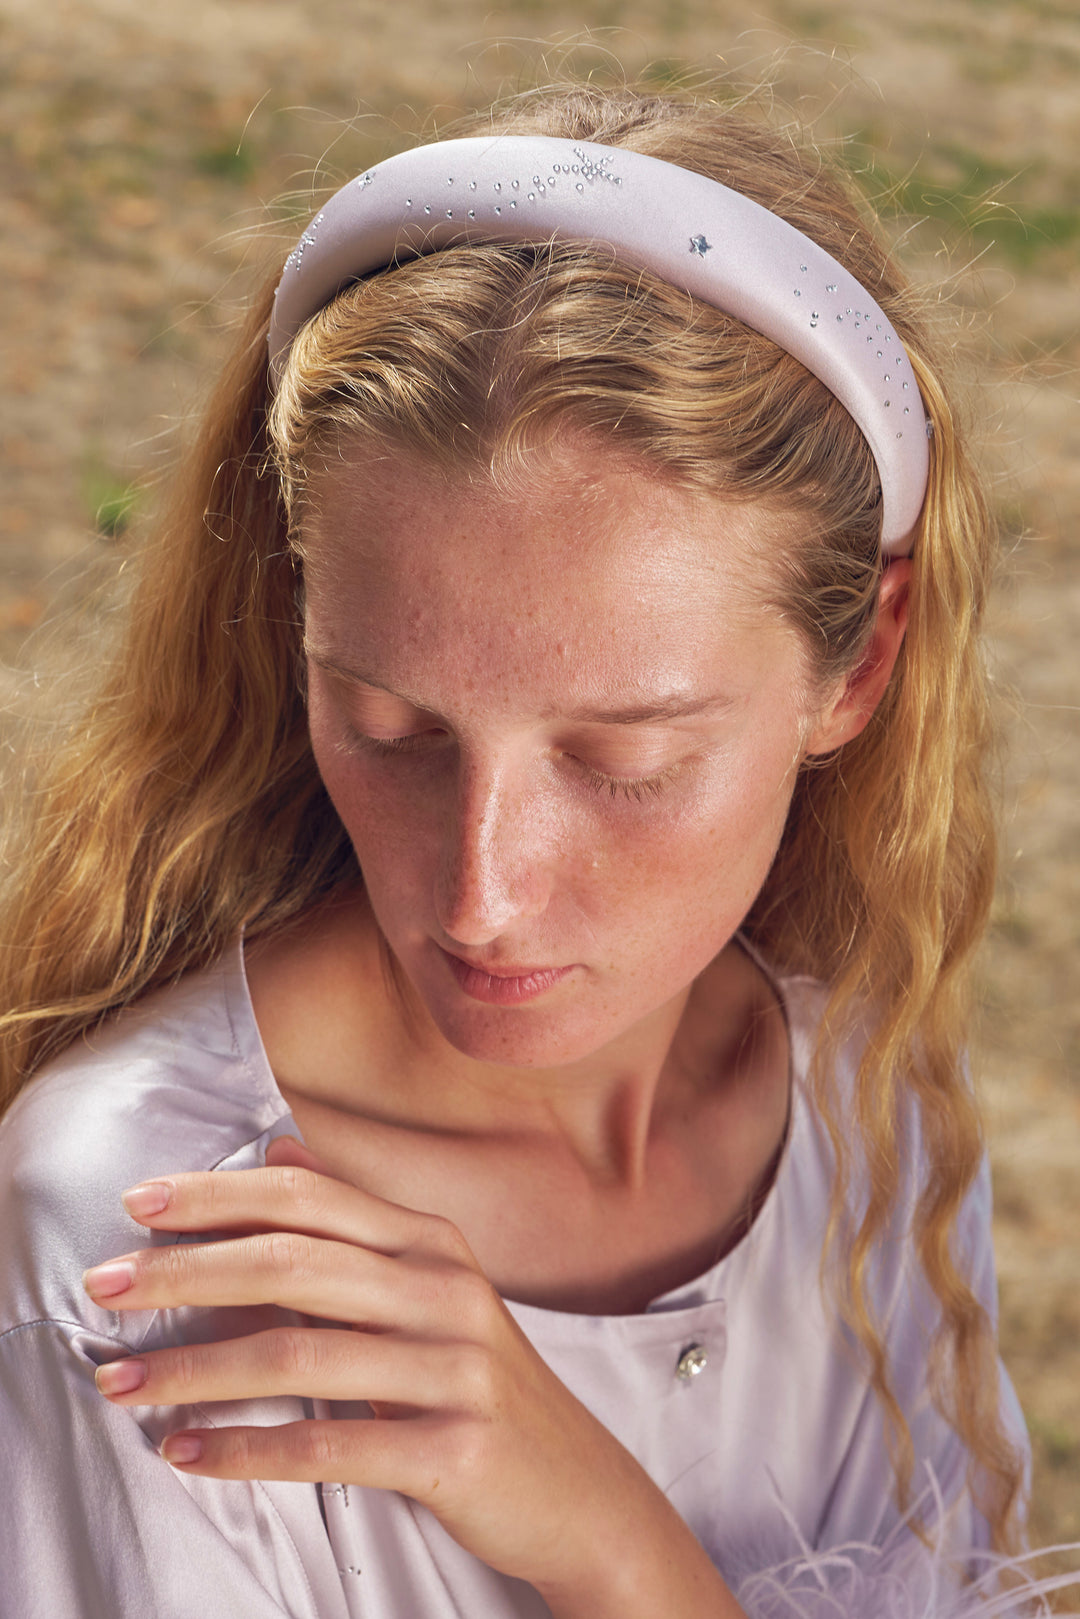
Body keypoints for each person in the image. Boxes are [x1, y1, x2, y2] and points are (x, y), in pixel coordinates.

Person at [0, 81, 1072, 1619]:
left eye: (626, 758)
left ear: (859, 664)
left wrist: (615, 1546)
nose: (480, 894)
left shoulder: (862, 1098)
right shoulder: (160, 1254)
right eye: (390, 727)